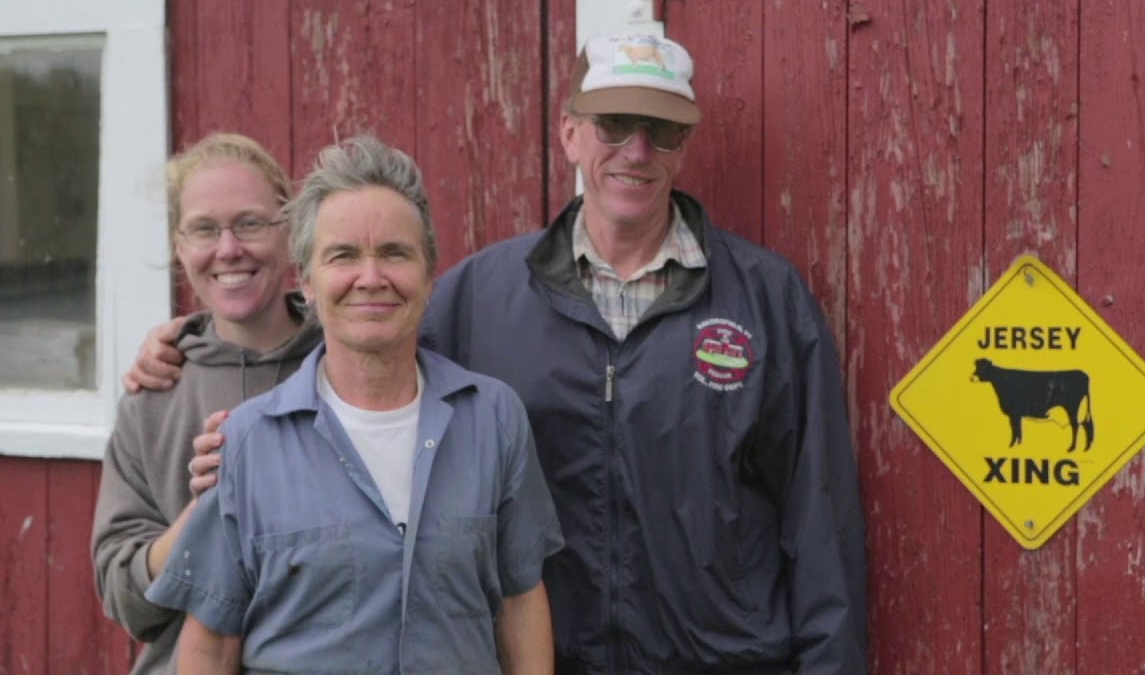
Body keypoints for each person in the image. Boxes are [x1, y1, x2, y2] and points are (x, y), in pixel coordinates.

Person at [127, 34, 867, 674]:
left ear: (685, 144)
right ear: (570, 133)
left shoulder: (763, 300)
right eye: (612, 124)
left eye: (661, 130)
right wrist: (203, 348)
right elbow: (361, 341)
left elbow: (819, 513)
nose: (635, 151)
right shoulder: (484, 293)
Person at [144, 135, 564, 673]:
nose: (371, 278)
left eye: (394, 252)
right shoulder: (248, 441)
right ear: (308, 282)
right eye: (343, 255)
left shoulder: (494, 419)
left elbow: (519, 601)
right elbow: (213, 643)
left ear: (429, 277)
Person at [91, 133, 321, 674]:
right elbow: (126, 600)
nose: (228, 249)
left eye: (250, 223)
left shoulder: (349, 364)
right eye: (203, 229)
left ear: (289, 233)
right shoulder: (154, 393)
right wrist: (204, 514)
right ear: (178, 245)